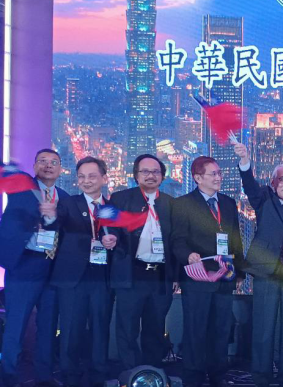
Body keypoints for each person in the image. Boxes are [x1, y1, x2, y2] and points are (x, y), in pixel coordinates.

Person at [234, 143, 283, 387]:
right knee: (264, 328)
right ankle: (261, 377)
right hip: (266, 272)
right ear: (274, 182)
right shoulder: (263, 199)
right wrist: (245, 160)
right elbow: (249, 185)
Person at [171, 156, 245, 387]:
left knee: (221, 329)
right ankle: (192, 378)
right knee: (196, 329)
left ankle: (218, 376)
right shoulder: (183, 203)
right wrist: (188, 256)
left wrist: (240, 272)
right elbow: (177, 240)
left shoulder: (228, 203)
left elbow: (235, 240)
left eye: (219, 173)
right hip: (197, 277)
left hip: (225, 276)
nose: (218, 177)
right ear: (197, 178)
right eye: (213, 173)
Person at [0, 149, 67, 387]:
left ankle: (44, 377)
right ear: (35, 165)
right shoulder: (22, 188)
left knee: (48, 327)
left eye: (54, 163)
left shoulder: (66, 197)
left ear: (61, 169)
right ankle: (8, 378)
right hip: (25, 265)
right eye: (43, 162)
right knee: (16, 326)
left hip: (53, 268)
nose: (48, 166)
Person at [50, 157, 117, 387]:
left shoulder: (111, 209)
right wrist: (88, 242)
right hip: (73, 278)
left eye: (91, 176)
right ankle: (70, 378)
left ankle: (98, 377)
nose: (86, 181)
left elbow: (125, 241)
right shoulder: (68, 204)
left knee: (100, 329)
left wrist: (115, 241)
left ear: (104, 179)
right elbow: (57, 232)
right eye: (81, 177)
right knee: (70, 330)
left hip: (102, 278)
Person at [109, 154, 178, 371]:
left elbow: (176, 242)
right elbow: (111, 227)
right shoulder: (121, 199)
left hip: (160, 277)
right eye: (145, 171)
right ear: (136, 175)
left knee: (155, 329)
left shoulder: (170, 203)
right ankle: (130, 374)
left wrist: (175, 276)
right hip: (131, 273)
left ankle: (151, 374)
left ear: (162, 176)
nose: (150, 176)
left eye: (155, 172)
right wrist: (110, 238)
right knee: (127, 329)